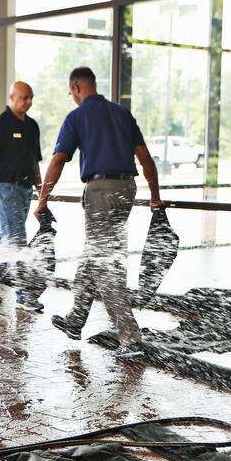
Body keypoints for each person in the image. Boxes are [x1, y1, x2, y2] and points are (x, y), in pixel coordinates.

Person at [35, 66, 162, 354]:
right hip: (126, 190)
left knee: (104, 266)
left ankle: (130, 338)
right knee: (95, 255)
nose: (72, 98)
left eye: (71, 93)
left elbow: (57, 161)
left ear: (77, 88)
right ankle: (75, 319)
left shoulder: (77, 116)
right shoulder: (121, 114)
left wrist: (42, 199)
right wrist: (154, 197)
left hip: (100, 192)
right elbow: (145, 159)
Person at [0, 81, 43, 311]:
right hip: (3, 189)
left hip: (24, 191)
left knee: (8, 237)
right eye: (24, 97)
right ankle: (25, 294)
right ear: (12, 97)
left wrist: (40, 193)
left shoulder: (33, 126)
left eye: (31, 97)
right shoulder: (1, 124)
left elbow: (35, 163)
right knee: (17, 239)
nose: (28, 101)